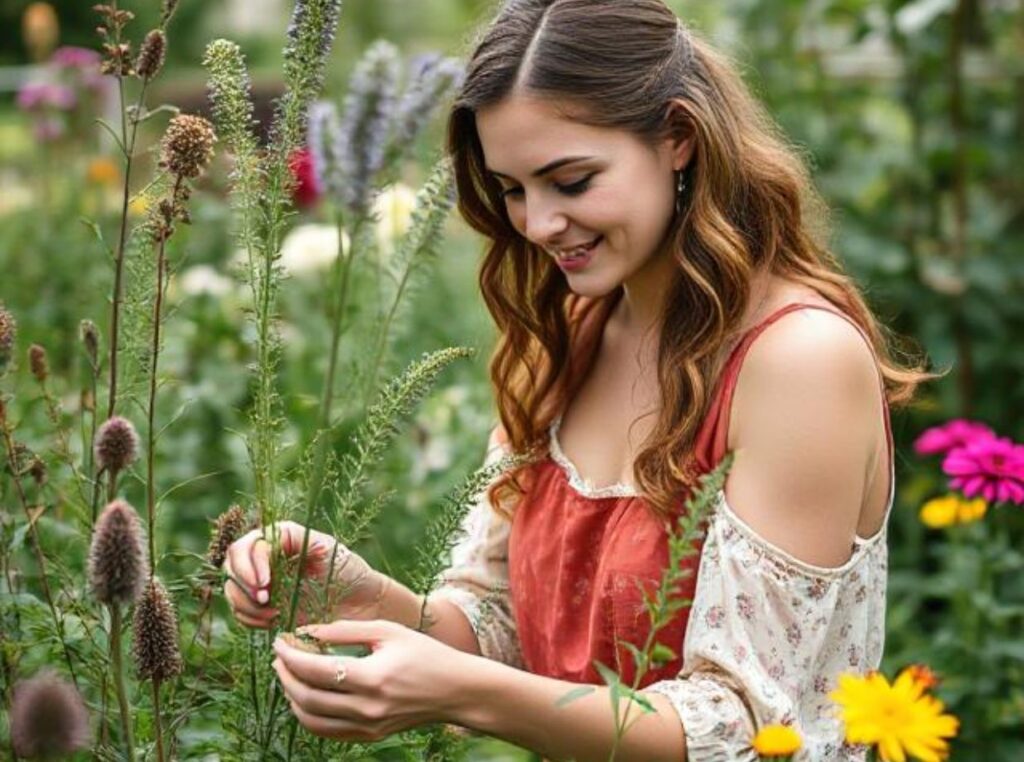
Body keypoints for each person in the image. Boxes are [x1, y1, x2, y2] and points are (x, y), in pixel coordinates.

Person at [223, 0, 930, 759]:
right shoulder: (568, 335)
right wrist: (374, 603)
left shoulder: (798, 360)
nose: (535, 224)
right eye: (514, 189)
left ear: (680, 140)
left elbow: (749, 729)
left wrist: (460, 692)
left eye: (571, 180)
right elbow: (505, 629)